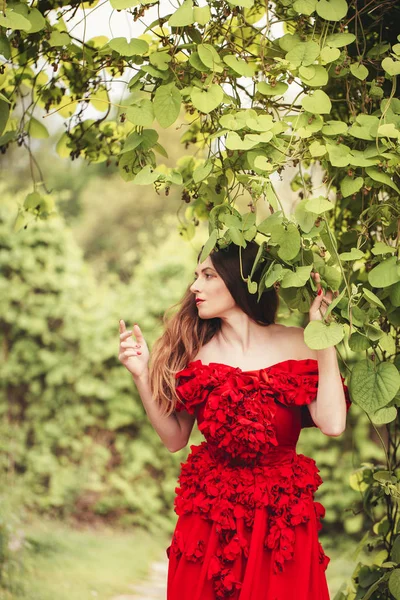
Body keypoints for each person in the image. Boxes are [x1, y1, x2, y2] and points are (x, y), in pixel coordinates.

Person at [118, 240, 351, 600]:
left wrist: (323, 337)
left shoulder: (300, 343)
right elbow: (175, 438)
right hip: (210, 517)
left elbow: (333, 424)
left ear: (241, 280)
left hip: (280, 518)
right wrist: (140, 374)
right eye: (196, 276)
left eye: (207, 275)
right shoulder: (194, 353)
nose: (194, 286)